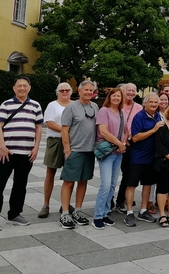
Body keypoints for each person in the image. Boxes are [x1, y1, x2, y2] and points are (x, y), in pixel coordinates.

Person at [0, 76, 43, 231]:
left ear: (29, 88)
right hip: (7, 152)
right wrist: (2, 146)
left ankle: (15, 214)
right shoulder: (6, 104)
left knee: (20, 185)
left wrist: (36, 147)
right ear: (14, 88)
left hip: (26, 153)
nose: (22, 88)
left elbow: (38, 128)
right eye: (19, 86)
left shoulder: (36, 106)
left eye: (25, 86)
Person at [59, 80, 99, 229]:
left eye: (91, 90)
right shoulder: (71, 108)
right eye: (86, 90)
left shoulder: (95, 106)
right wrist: (67, 150)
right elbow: (64, 130)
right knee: (69, 181)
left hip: (90, 151)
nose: (88, 92)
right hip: (75, 150)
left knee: (83, 181)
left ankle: (78, 210)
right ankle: (65, 212)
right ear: (79, 91)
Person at [123, 92, 164, 227]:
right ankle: (129, 212)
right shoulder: (139, 116)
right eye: (151, 102)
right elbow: (135, 137)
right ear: (145, 103)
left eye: (155, 102)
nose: (153, 105)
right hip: (138, 156)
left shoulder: (158, 116)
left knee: (148, 184)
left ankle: (143, 210)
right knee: (132, 184)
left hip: (152, 157)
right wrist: (153, 129)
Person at [93, 88, 128, 229]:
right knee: (105, 184)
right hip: (107, 152)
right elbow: (103, 131)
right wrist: (119, 143)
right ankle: (97, 216)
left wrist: (123, 143)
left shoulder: (121, 113)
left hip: (118, 153)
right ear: (109, 97)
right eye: (114, 95)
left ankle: (105, 213)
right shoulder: (104, 111)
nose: (116, 98)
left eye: (118, 96)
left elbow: (125, 131)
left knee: (113, 184)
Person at [38, 82, 72, 219]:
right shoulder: (52, 105)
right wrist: (66, 131)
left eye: (67, 90)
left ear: (71, 91)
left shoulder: (74, 105)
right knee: (50, 172)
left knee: (70, 174)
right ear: (57, 92)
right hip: (55, 141)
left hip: (71, 142)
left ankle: (66, 203)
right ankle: (46, 204)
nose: (64, 92)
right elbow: (49, 123)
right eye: (61, 90)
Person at [115, 83, 143, 213]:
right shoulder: (117, 105)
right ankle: (108, 201)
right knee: (112, 175)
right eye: (128, 90)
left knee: (127, 174)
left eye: (133, 90)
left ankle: (121, 200)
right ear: (123, 91)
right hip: (115, 143)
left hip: (131, 144)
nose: (131, 93)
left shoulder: (138, 107)